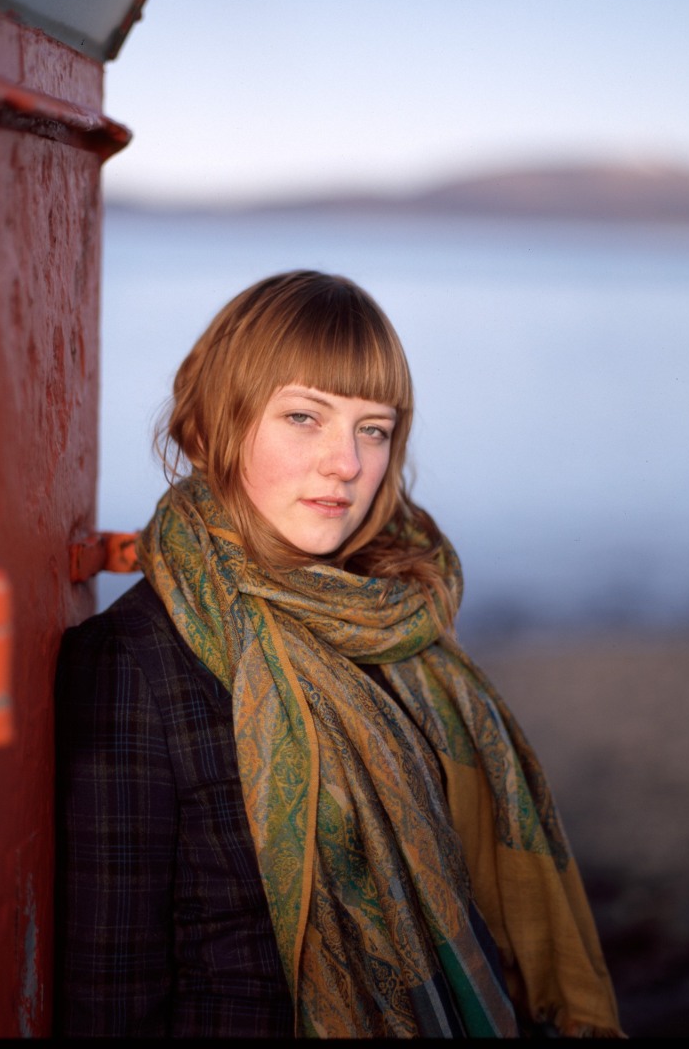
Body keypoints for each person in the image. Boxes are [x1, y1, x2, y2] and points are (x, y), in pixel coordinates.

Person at [53, 270, 622, 1038]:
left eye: (373, 430)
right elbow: (110, 998)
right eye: (304, 417)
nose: (346, 463)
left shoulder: (395, 623)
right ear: (214, 426)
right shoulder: (133, 662)